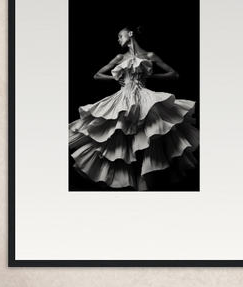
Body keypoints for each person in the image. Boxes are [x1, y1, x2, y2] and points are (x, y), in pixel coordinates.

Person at [70, 27, 198, 190]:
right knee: (121, 136)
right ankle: (130, 181)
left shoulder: (149, 55)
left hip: (144, 97)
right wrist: (117, 79)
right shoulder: (120, 57)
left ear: (130, 34)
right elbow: (97, 75)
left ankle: (144, 181)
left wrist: (152, 75)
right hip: (123, 98)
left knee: (148, 135)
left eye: (120, 36)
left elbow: (174, 74)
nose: (118, 39)